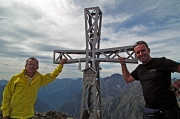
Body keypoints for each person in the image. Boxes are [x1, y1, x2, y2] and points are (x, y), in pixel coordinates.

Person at [118, 41, 180, 119]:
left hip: (168, 110)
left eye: (143, 50)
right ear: (136, 55)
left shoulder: (162, 62)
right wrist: (123, 64)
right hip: (150, 111)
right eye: (138, 52)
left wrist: (176, 85)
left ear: (149, 50)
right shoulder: (139, 69)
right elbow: (127, 79)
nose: (141, 54)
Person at [1, 57, 67, 119]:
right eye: (30, 64)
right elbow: (6, 95)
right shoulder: (16, 78)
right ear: (25, 66)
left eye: (34, 64)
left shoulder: (39, 78)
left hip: (29, 115)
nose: (32, 66)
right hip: (14, 115)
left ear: (37, 67)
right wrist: (5, 113)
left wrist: (61, 65)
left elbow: (52, 76)